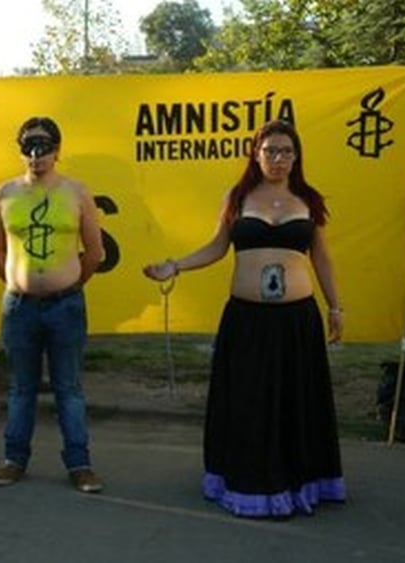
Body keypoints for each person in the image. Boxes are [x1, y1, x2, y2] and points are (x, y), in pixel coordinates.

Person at [143, 119, 346, 518]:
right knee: (250, 402)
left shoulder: (307, 198)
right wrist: (175, 266)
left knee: (295, 401)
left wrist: (335, 306)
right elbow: (217, 247)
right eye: (270, 150)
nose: (278, 159)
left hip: (297, 321)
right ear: (255, 153)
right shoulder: (237, 197)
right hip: (247, 320)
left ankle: (298, 481)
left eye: (287, 151)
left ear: (296, 156)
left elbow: (321, 257)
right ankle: (249, 481)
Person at [0, 116, 105, 493]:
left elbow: (95, 252)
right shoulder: (4, 194)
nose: (36, 155)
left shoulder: (77, 193)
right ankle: (13, 459)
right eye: (28, 146)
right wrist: (21, 285)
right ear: (20, 150)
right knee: (22, 387)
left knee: (68, 387)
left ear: (57, 150)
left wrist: (67, 285)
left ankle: (80, 464)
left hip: (65, 305)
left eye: (44, 146)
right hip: (19, 307)